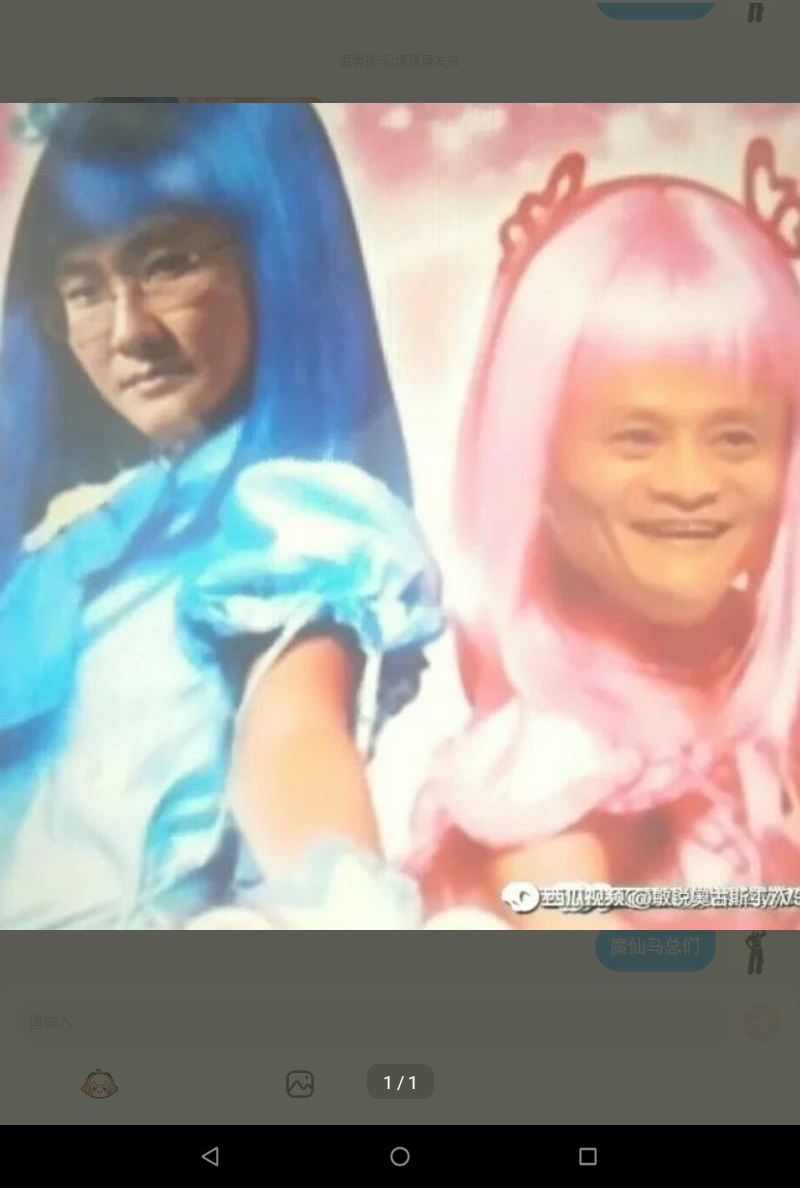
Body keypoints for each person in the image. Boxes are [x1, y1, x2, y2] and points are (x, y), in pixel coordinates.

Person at [0, 102, 442, 930]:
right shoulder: (69, 545)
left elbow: (293, 737)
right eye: (84, 290)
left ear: (276, 258)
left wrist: (337, 906)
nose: (128, 332)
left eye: (166, 264)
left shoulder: (289, 524)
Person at [408, 138, 800, 930]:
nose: (690, 482)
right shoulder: (553, 765)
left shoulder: (755, 700)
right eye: (636, 437)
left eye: (735, 437)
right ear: (534, 463)